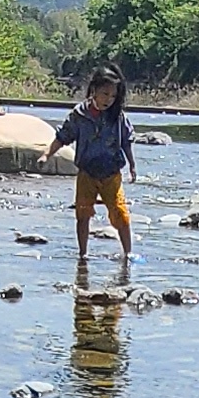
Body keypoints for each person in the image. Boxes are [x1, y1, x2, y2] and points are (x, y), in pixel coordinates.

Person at [53, 65, 138, 289]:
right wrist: (46, 154)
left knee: (120, 212)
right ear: (93, 91)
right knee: (83, 213)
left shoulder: (117, 117)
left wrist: (132, 165)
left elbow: (126, 141)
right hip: (87, 172)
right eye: (105, 94)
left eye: (113, 96)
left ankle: (128, 253)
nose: (108, 99)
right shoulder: (80, 115)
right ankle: (83, 254)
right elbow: (64, 136)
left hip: (111, 172)